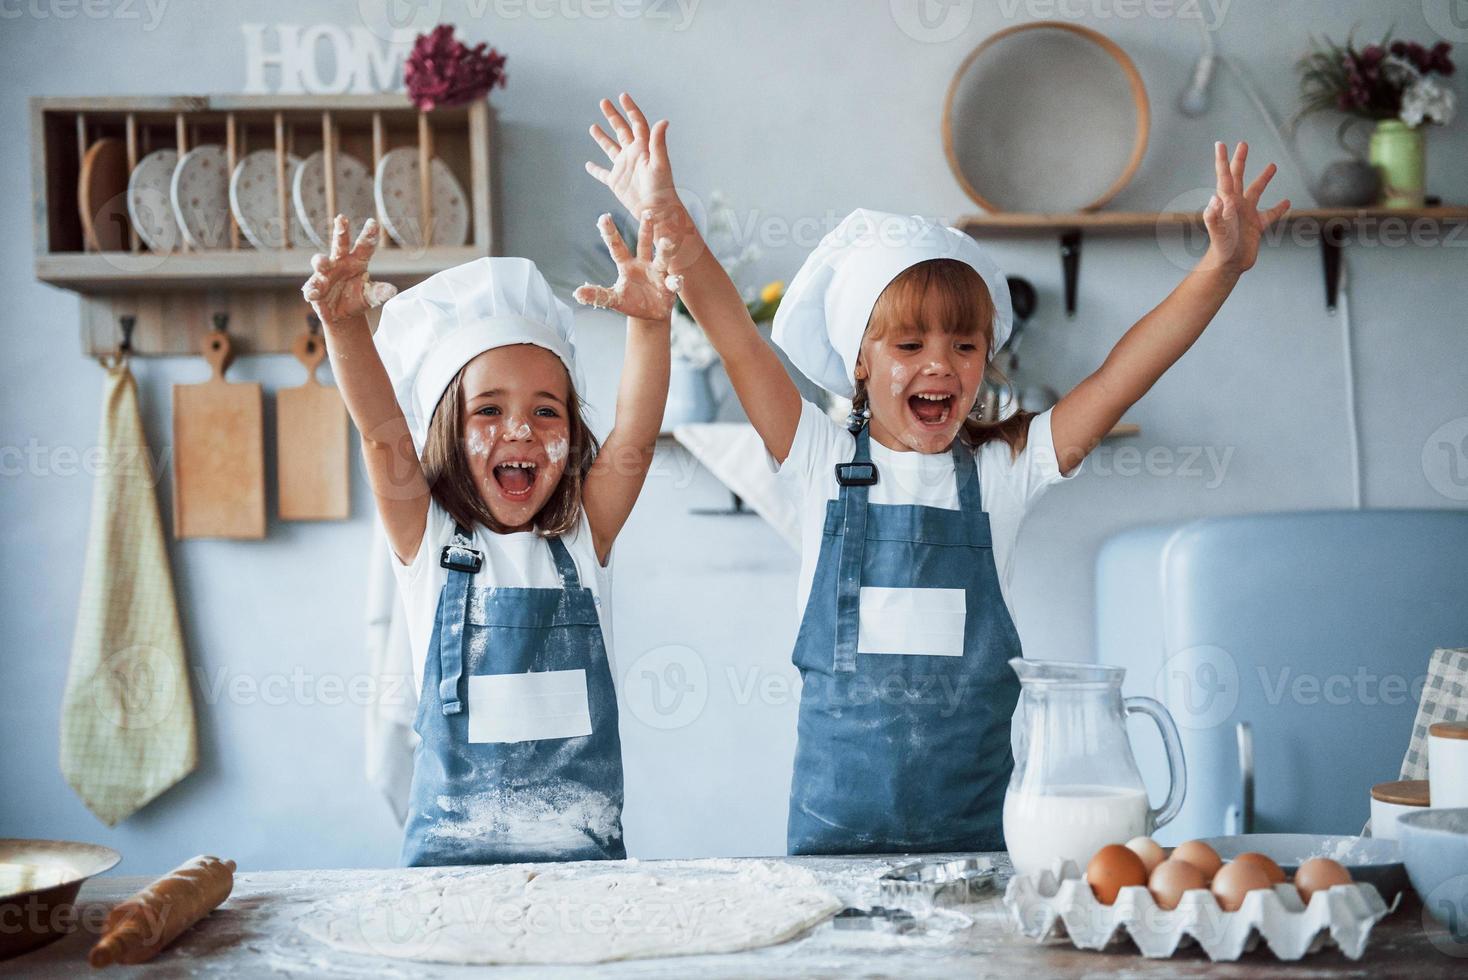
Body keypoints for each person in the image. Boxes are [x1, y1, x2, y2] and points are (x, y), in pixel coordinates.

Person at [583, 92, 1289, 853]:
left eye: (963, 345)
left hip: (977, 844)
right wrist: (672, 222)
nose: (940, 366)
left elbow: (1122, 374)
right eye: (908, 344)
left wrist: (1218, 269)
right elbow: (738, 339)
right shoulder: (817, 459)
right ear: (859, 360)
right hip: (833, 844)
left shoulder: (1003, 471)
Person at [301, 211, 679, 864]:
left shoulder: (586, 538)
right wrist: (343, 326)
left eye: (545, 410)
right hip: (450, 871)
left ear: (570, 436)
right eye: (489, 410)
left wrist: (650, 326)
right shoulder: (430, 539)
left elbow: (637, 436)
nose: (521, 430)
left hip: (584, 874)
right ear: (450, 427)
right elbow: (381, 431)